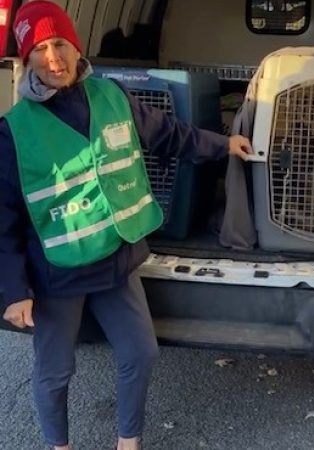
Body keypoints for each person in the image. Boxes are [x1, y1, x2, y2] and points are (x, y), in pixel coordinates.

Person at [0, 2, 253, 449]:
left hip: (115, 258)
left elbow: (170, 135)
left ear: (77, 47)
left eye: (60, 43)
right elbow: (4, 217)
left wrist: (224, 144)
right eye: (38, 49)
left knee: (140, 352)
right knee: (56, 372)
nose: (53, 58)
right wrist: (15, 290)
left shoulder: (112, 95)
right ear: (26, 60)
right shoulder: (12, 131)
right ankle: (60, 446)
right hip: (57, 273)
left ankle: (128, 442)